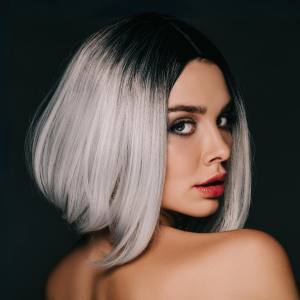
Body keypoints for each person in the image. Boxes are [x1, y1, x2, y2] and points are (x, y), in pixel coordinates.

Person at [25, 12, 299, 300]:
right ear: (113, 136)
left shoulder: (64, 278)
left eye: (223, 120)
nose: (222, 149)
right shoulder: (245, 260)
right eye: (181, 125)